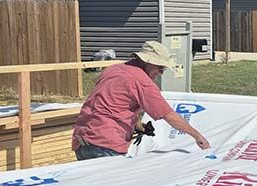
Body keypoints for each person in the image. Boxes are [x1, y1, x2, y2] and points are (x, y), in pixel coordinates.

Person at [72, 41, 210, 160]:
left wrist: (136, 124)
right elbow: (169, 115)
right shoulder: (142, 82)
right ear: (147, 62)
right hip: (104, 144)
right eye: (160, 67)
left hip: (82, 139)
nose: (161, 72)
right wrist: (198, 137)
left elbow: (108, 102)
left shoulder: (114, 70)